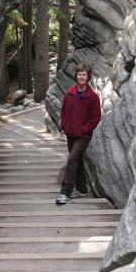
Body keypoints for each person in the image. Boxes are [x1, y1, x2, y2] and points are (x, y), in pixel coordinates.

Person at [56, 63, 101, 205]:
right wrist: (64, 125)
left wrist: (85, 129)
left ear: (88, 77)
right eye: (79, 74)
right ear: (76, 76)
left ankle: (65, 192)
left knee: (71, 159)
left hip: (84, 135)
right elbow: (64, 111)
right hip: (70, 132)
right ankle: (82, 189)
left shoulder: (92, 97)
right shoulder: (69, 93)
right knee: (77, 160)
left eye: (84, 75)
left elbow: (95, 117)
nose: (81, 77)